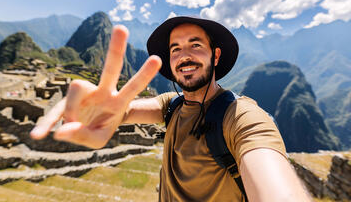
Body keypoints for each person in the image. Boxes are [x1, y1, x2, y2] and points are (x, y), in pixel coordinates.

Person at [31, 16, 311, 201]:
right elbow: (126, 112)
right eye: (175, 49)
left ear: (215, 55)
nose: (184, 55)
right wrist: (102, 113)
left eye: (195, 45)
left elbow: (275, 186)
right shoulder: (172, 104)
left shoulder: (242, 117)